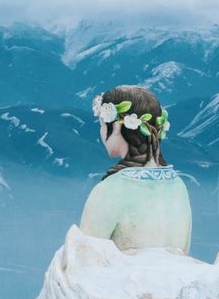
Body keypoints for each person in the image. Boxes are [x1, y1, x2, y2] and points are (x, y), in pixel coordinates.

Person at [79, 84, 192, 254]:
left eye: (102, 125)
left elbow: (83, 257)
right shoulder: (179, 186)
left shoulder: (110, 190)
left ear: (116, 127)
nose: (101, 132)